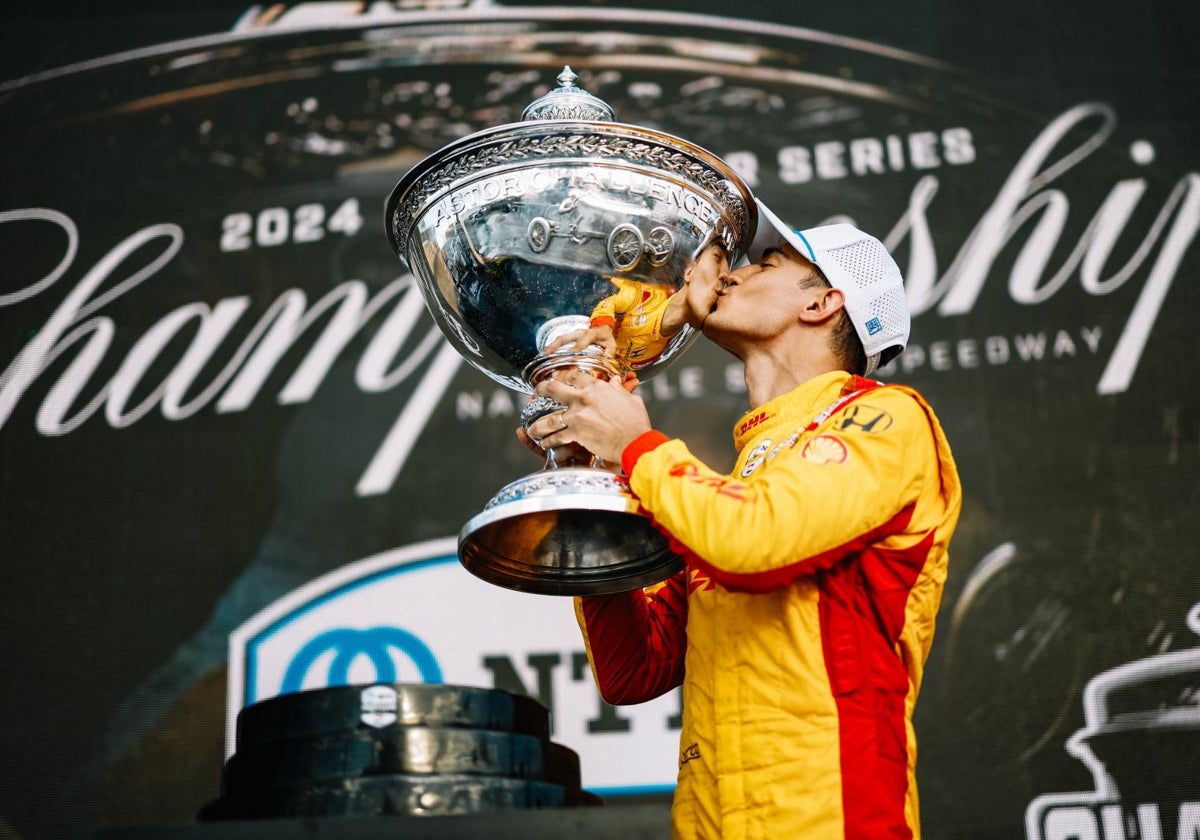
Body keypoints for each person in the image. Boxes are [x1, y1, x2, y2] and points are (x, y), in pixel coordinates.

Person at [526, 199, 963, 840]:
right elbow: (634, 668)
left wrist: (636, 447)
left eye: (770, 262)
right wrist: (595, 479)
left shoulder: (888, 419)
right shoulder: (733, 488)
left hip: (834, 820)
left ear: (821, 304)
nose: (730, 273)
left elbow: (753, 541)